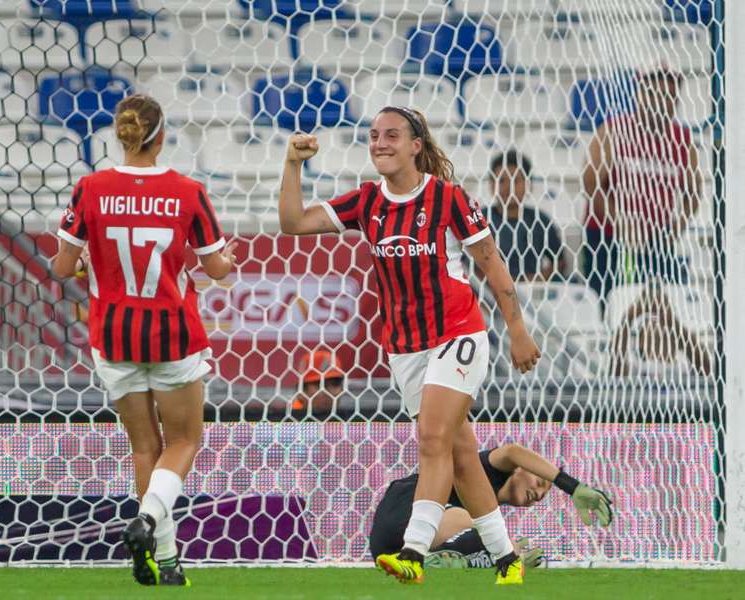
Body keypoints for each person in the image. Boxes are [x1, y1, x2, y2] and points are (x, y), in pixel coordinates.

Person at [278, 106, 541, 585]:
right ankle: (508, 560)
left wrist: (516, 330)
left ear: (416, 145)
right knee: (461, 456)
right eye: (374, 135)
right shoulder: (365, 202)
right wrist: (293, 163)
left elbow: (491, 261)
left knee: (432, 439)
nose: (379, 142)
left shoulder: (447, 199)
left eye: (391, 135)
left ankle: (414, 553)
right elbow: (293, 222)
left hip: (459, 332)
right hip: (406, 348)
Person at [51, 94, 237, 587]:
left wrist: (93, 263)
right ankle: (150, 521)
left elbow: (62, 267)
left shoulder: (90, 188)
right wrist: (228, 259)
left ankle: (167, 561)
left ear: (123, 134)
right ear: (161, 136)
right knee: (183, 440)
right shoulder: (187, 192)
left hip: (113, 336)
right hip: (172, 334)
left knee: (144, 448)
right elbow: (219, 270)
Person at [369, 444, 613, 569]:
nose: (538, 494)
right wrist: (571, 486)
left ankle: (439, 561)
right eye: (539, 482)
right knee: (501, 544)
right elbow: (513, 451)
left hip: (386, 548)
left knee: (490, 541)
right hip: (409, 506)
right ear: (518, 469)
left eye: (543, 494)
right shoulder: (488, 468)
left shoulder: (486, 506)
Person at [582, 63, 700, 312]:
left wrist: (673, 229)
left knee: (653, 311)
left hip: (655, 241)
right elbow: (591, 184)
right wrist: (620, 222)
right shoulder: (615, 129)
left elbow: (694, 192)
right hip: (608, 237)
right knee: (609, 306)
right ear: (640, 94)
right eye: (654, 93)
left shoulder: (682, 139)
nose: (661, 102)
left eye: (669, 95)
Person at [486, 150, 565, 282]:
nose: (508, 187)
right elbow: (468, 264)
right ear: (491, 185)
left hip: (532, 293)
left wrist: (537, 280)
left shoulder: (540, 221)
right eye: (502, 180)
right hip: (489, 294)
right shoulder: (480, 220)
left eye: (515, 180)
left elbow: (559, 262)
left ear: (528, 185)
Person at [609, 287, 711, 376]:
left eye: (666, 330)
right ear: (639, 343)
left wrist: (672, 322)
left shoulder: (683, 367)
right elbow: (617, 369)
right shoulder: (636, 367)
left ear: (676, 343)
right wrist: (629, 317)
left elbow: (705, 368)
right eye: (650, 325)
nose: (658, 326)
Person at [292, 349, 345, 420]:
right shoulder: (283, 423)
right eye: (320, 385)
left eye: (335, 384)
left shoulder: (353, 423)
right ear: (301, 391)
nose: (329, 392)